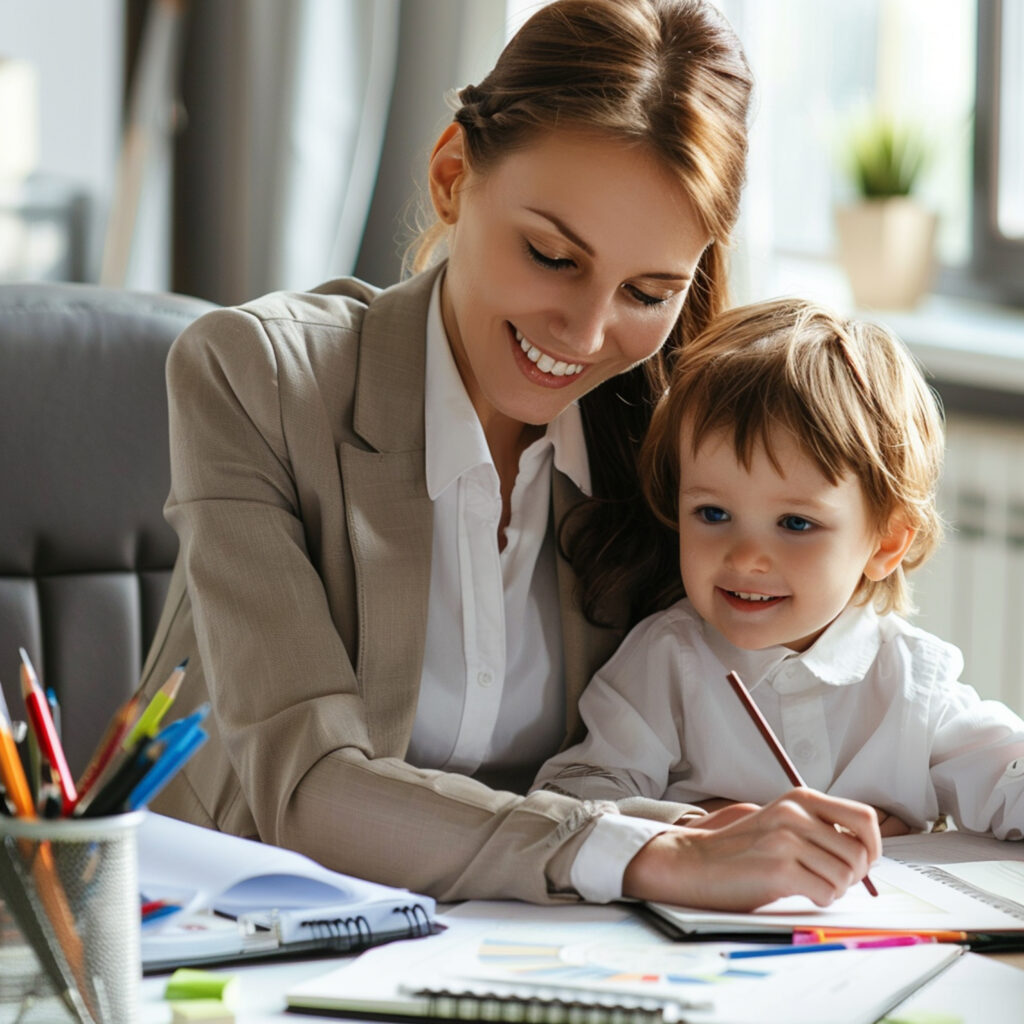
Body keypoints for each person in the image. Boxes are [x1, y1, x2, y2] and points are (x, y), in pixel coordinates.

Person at [136, 0, 881, 911]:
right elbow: (306, 786)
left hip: (527, 940)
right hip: (234, 932)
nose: (589, 331)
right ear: (453, 177)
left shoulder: (664, 439)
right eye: (552, 256)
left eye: (649, 291)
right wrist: (638, 852)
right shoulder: (256, 378)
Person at [534, 298, 1024, 843]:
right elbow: (570, 803)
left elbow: (1008, 779)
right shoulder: (667, 662)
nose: (745, 557)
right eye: (713, 514)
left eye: (794, 522)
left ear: (885, 543)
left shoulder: (912, 681)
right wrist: (701, 827)